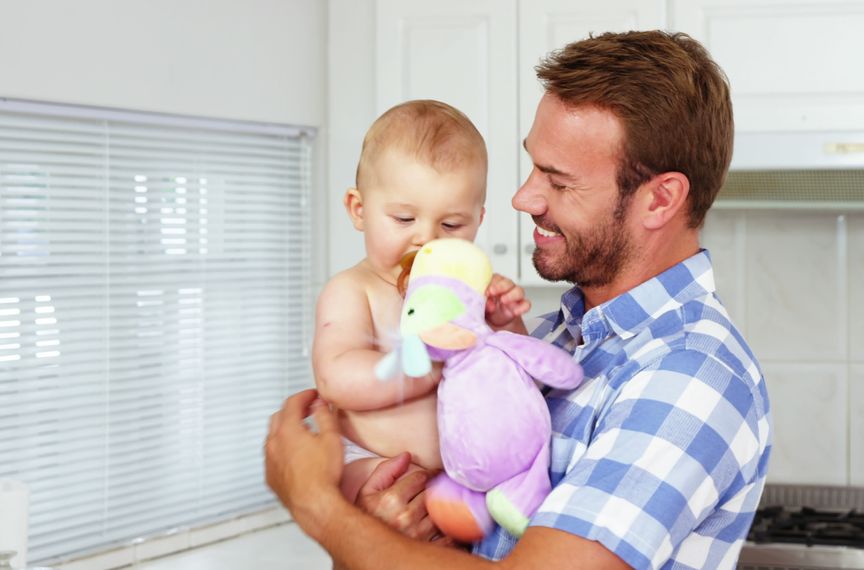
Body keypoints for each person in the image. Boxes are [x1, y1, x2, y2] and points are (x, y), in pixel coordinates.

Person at [266, 30, 772, 569]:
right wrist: (376, 529)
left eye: (558, 180)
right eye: (533, 166)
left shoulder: (690, 374)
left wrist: (317, 504)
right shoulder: (547, 337)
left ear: (660, 199)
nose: (522, 198)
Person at [312, 99, 530, 510]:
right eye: (403, 219)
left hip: (458, 476)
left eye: (451, 225)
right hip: (373, 462)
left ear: (478, 220)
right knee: (360, 487)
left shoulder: (469, 291)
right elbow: (336, 378)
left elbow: (513, 375)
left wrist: (503, 324)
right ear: (359, 210)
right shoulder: (353, 290)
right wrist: (431, 367)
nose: (426, 239)